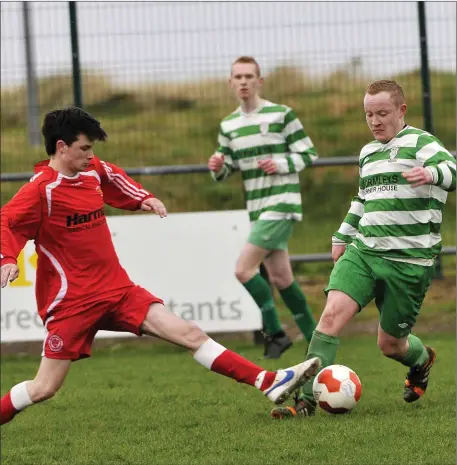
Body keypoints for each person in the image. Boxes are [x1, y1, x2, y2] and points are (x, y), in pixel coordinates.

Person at [0, 107, 322, 426]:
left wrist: (143, 199)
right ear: (61, 147)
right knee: (43, 388)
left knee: (189, 333)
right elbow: (8, 223)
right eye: (84, 147)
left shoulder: (91, 170)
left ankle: (268, 381)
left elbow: (114, 179)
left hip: (117, 290)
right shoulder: (41, 190)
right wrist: (8, 259)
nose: (90, 154)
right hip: (73, 304)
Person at [270, 79, 456, 419]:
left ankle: (421, 359)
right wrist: (342, 235)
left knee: (390, 345)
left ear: (402, 111)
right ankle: (306, 402)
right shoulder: (368, 153)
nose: (375, 121)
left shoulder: (421, 143)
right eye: (369, 114)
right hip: (365, 251)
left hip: (409, 261)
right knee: (329, 318)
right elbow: (363, 198)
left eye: (382, 113)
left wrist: (430, 174)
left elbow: (452, 170)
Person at [208, 56, 318, 359]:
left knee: (243, 269)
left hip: (281, 203)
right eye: (238, 77)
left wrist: (280, 163)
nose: (243, 81)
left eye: (249, 76)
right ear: (231, 82)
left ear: (260, 81)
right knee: (282, 279)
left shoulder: (281, 115)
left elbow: (308, 152)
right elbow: (225, 168)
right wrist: (217, 165)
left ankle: (275, 332)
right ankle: (316, 338)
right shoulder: (228, 125)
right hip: (258, 208)